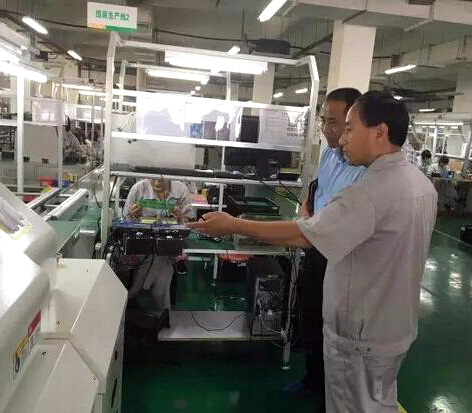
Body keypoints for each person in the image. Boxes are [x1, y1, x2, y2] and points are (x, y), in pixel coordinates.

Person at [188, 91, 438, 413]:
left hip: (361, 333)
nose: (342, 138)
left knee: (351, 406)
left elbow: (303, 234)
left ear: (380, 132)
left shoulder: (368, 193)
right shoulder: (421, 185)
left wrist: (233, 224)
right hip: (393, 326)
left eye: (349, 128)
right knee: (378, 401)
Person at [287, 88, 364, 406]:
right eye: (323, 120)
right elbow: (317, 189)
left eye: (333, 122)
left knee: (336, 329)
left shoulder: (364, 167)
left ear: (352, 123)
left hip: (342, 257)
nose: (325, 129)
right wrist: (306, 206)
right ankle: (313, 378)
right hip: (315, 250)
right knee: (311, 317)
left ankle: (331, 395)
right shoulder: (330, 153)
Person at [123, 178, 193, 312]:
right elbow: (125, 220)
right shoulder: (138, 189)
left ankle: (137, 288)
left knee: (158, 285)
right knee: (159, 287)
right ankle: (161, 309)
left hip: (168, 247)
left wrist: (180, 218)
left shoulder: (181, 190)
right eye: (153, 179)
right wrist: (132, 216)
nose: (156, 183)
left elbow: (189, 224)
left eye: (161, 180)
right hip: (142, 245)